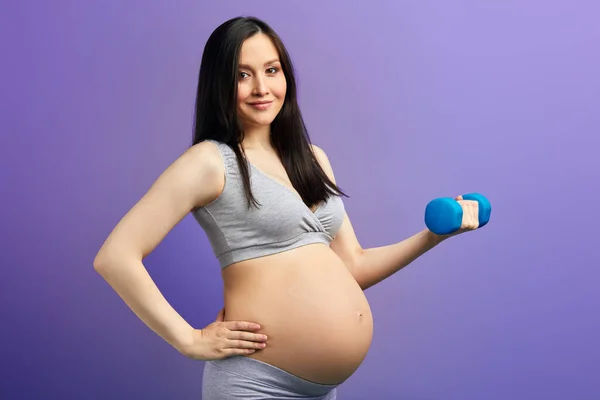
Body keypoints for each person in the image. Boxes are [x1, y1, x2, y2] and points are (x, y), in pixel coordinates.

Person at [93, 16, 481, 400]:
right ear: (219, 83)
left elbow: (354, 265)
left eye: (271, 70)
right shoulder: (210, 162)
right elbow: (116, 256)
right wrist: (188, 340)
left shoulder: (313, 159)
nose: (261, 87)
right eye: (242, 74)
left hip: (320, 391)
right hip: (254, 385)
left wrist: (433, 237)